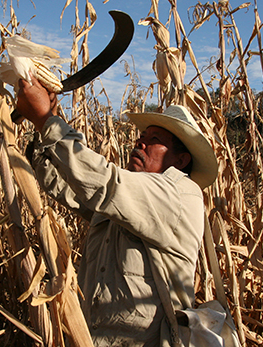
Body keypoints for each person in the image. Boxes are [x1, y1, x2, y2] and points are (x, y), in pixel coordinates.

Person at [15, 76, 218, 347]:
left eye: (154, 140)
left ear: (181, 160)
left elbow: (103, 182)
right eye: (141, 137)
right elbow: (66, 186)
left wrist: (46, 121)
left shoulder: (181, 194)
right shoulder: (125, 203)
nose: (140, 143)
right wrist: (44, 126)